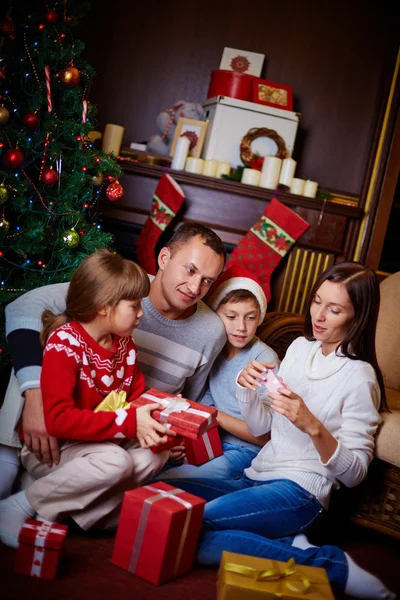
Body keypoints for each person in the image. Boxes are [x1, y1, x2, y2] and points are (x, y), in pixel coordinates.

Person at [161, 262, 395, 599]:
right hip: (255, 475)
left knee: (191, 530)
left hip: (302, 491)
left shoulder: (360, 378)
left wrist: (313, 426)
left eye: (334, 309)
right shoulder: (300, 349)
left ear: (357, 315)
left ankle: (331, 566)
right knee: (161, 492)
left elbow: (356, 473)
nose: (319, 315)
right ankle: (284, 540)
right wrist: (245, 389)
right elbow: (264, 427)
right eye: (317, 301)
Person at [0, 222, 226, 499]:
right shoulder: (121, 286)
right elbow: (23, 308)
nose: (195, 287)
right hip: (74, 413)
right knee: (34, 351)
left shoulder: (211, 331)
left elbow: (193, 397)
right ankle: (9, 462)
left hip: (126, 426)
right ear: (164, 258)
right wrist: (36, 398)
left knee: (138, 460)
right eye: (190, 270)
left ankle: (49, 496)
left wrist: (174, 431)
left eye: (208, 280)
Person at [0, 249, 174, 548]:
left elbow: (135, 397)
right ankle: (18, 505)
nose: (142, 313)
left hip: (98, 444)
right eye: (134, 306)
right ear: (104, 307)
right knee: (115, 462)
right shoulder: (65, 345)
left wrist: (167, 410)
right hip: (56, 449)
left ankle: (72, 510)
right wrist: (131, 423)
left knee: (156, 452)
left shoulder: (125, 346)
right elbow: (57, 421)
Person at [159, 265, 279, 478]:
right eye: (231, 317)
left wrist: (213, 416)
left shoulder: (265, 359)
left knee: (174, 480)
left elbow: (267, 435)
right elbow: (203, 403)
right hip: (210, 442)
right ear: (215, 316)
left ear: (259, 317)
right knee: (154, 470)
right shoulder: (213, 349)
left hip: (245, 451)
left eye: (250, 317)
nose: (241, 327)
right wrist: (183, 440)